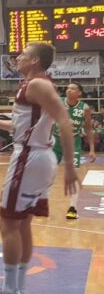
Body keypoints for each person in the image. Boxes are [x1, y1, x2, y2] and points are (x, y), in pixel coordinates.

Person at [0, 42, 78, 294]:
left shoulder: (38, 85)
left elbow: (64, 121)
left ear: (35, 60)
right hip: (37, 156)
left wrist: (71, 166)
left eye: (24, 54)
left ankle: (8, 293)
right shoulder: (32, 85)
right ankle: (18, 288)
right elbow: (20, 125)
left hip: (30, 158)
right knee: (23, 224)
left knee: (7, 223)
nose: (18, 57)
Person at [56, 83, 95, 219]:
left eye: (72, 88)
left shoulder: (85, 108)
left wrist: (92, 149)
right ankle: (38, 202)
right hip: (56, 141)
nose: (68, 90)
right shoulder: (58, 101)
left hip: (74, 143)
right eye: (67, 88)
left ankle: (72, 208)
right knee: (47, 172)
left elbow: (88, 128)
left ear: (79, 93)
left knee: (73, 175)